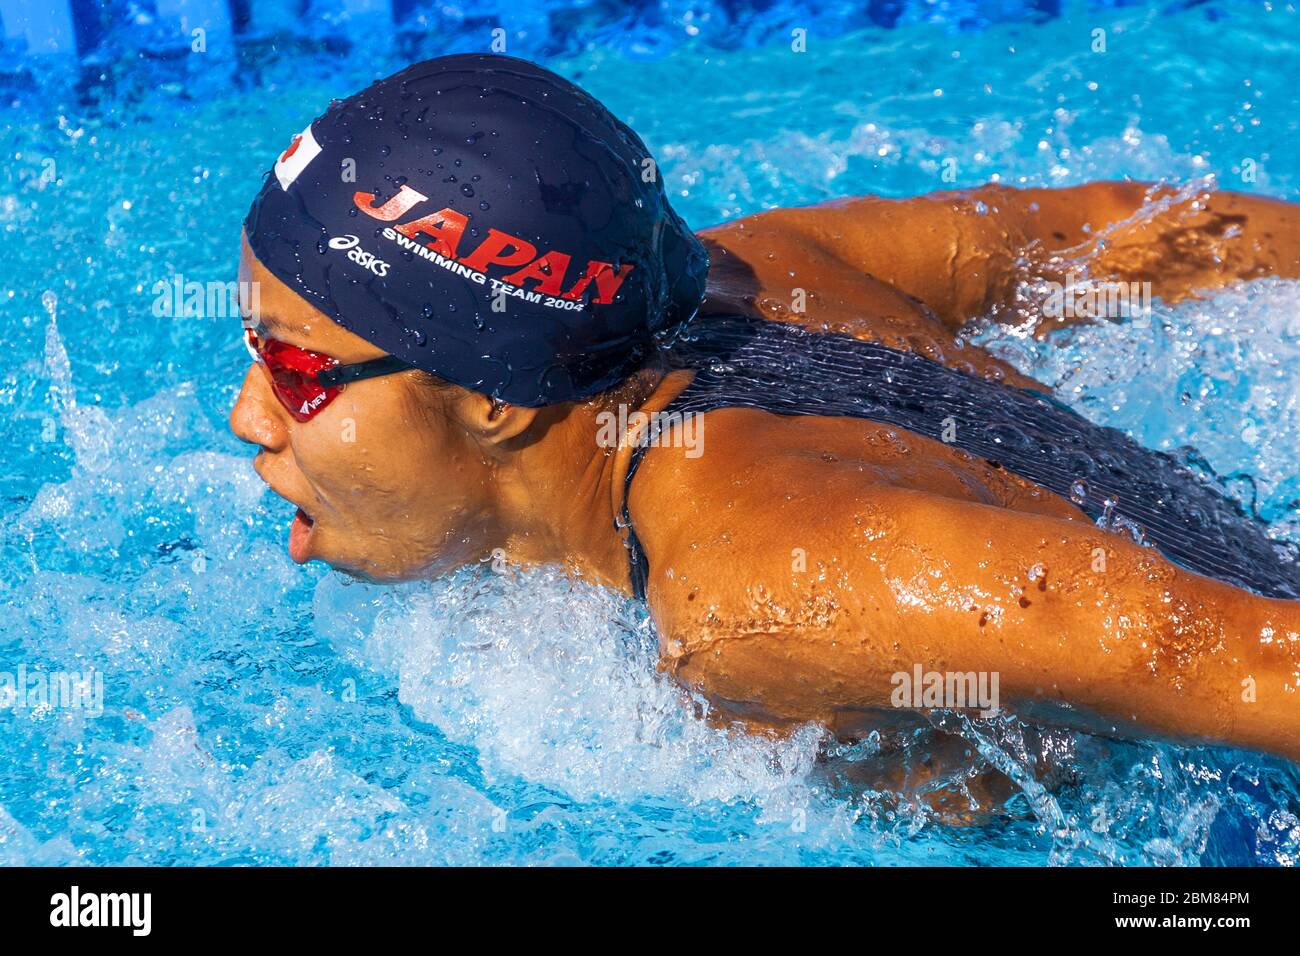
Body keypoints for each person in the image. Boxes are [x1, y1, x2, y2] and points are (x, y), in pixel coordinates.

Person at [231, 53, 1300, 768]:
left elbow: (1256, 663)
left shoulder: (762, 596)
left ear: (495, 402)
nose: (248, 418)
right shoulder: (769, 266)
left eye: (296, 370)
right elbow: (1146, 234)